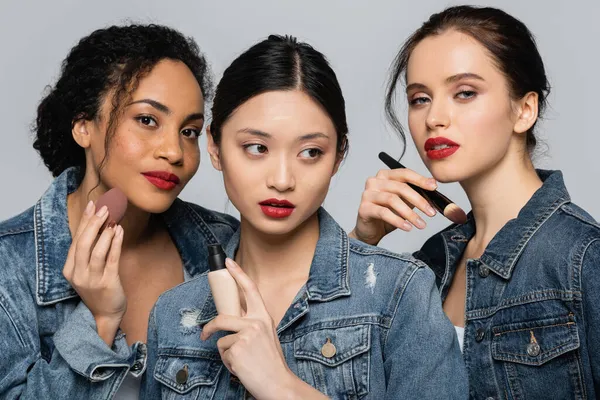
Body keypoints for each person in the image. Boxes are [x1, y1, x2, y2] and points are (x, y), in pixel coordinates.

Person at [142, 34, 467, 400]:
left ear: (339, 156)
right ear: (215, 147)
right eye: (256, 148)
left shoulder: (399, 292)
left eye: (310, 152)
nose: (282, 179)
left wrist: (280, 386)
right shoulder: (173, 317)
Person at [349, 5, 600, 399]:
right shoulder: (427, 266)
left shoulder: (584, 258)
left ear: (524, 109)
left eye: (464, 93)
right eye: (420, 99)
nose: (435, 117)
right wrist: (362, 243)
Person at [0, 24, 238, 399]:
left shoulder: (226, 244)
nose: (174, 152)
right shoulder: (8, 267)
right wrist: (99, 322)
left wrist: (357, 243)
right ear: (83, 126)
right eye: (147, 120)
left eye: (189, 131)